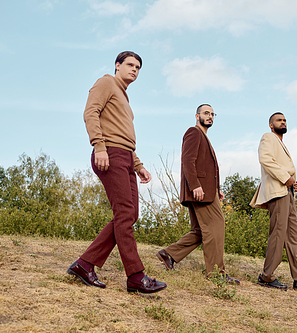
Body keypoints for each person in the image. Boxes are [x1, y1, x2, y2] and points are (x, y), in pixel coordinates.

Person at [67, 51, 167, 294]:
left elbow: (124, 137)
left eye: (138, 67)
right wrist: (98, 146)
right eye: (130, 65)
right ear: (117, 65)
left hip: (125, 157)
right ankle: (136, 276)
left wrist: (138, 165)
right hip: (109, 154)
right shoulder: (105, 82)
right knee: (124, 214)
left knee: (129, 215)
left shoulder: (125, 99)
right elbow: (90, 113)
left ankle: (84, 264)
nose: (135, 70)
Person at [156, 104, 239, 284]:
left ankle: (168, 254)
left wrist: (216, 188)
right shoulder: (193, 133)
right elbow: (188, 160)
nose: (210, 116)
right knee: (216, 227)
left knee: (201, 231)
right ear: (197, 115)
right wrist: (195, 186)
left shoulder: (204, 136)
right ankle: (216, 273)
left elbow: (205, 167)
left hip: (207, 190)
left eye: (212, 114)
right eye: (206, 113)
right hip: (200, 191)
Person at [250, 112, 297, 292]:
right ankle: (266, 276)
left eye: (284, 120)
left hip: (287, 192)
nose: (283, 122)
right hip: (278, 193)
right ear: (270, 124)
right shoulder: (268, 138)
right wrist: (286, 178)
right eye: (279, 120)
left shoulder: (282, 144)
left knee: (293, 236)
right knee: (278, 233)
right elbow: (265, 160)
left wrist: (292, 183)